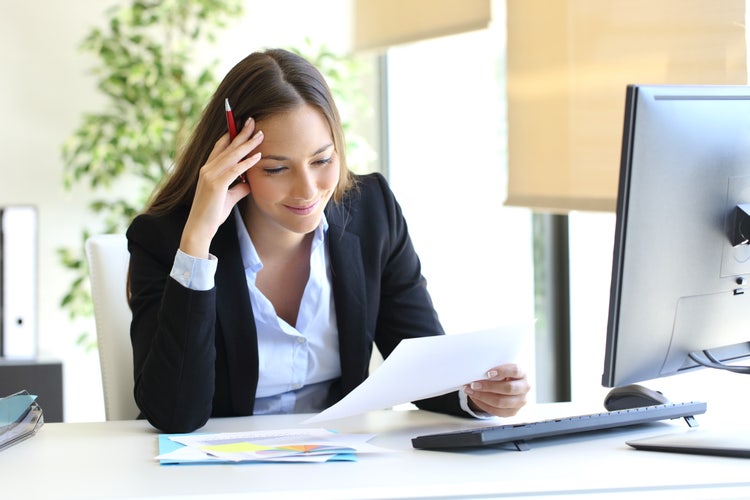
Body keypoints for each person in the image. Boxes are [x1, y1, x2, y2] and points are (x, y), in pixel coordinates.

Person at [126, 48, 530, 434]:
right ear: (236, 165)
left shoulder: (372, 212)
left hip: (343, 462)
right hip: (225, 473)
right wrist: (197, 240)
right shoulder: (164, 239)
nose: (308, 190)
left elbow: (421, 366)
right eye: (277, 168)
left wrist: (478, 395)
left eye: (322, 161)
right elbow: (174, 413)